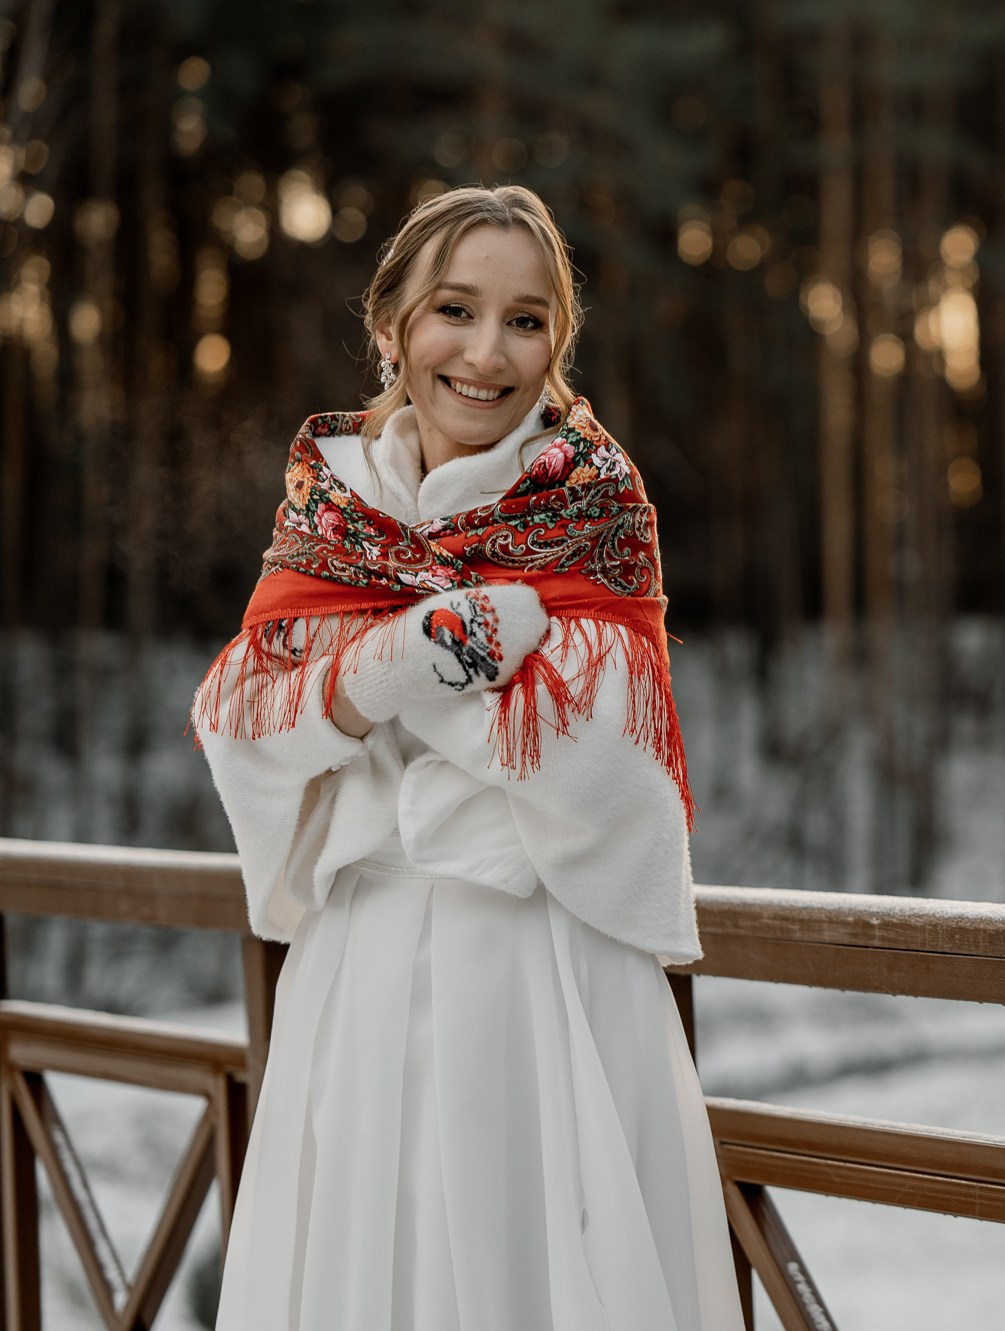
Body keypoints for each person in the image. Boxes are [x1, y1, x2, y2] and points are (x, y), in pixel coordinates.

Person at [190, 183, 743, 1331]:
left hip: (539, 980)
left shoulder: (593, 507)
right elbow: (238, 721)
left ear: (555, 346)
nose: (487, 352)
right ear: (390, 326)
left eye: (525, 320)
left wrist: (401, 684)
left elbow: (605, 759)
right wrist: (389, 669)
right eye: (455, 309)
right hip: (359, 976)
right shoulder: (333, 512)